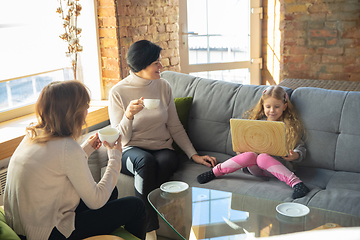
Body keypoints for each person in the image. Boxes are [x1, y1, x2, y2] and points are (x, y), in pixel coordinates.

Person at [3, 81, 146, 240]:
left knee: (111, 192)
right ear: (73, 112)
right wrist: (115, 157)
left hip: (23, 223)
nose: (87, 110)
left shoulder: (33, 133)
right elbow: (96, 201)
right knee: (136, 206)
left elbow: (58, 164)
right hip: (48, 233)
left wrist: (87, 148)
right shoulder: (67, 148)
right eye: (85, 105)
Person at [108, 40, 217, 239]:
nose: (161, 66)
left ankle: (139, 218)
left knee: (167, 161)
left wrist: (194, 155)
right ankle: (149, 231)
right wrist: (128, 116)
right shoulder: (118, 92)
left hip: (161, 147)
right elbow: (120, 140)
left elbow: (175, 126)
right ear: (142, 65)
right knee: (145, 162)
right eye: (156, 63)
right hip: (131, 149)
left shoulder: (163, 86)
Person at [197, 85, 310, 199]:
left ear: (284, 106)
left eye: (276, 106)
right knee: (251, 155)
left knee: (262, 158)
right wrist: (241, 150)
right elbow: (245, 142)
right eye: (268, 106)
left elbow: (300, 147)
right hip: (255, 169)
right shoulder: (257, 124)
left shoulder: (288, 128)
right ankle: (215, 172)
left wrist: (295, 154)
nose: (272, 110)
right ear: (263, 106)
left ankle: (296, 183)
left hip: (277, 169)